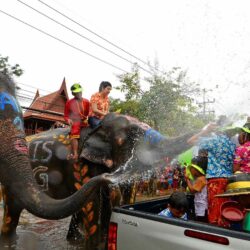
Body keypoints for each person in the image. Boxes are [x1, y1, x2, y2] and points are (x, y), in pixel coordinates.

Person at [188, 123, 238, 226]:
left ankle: (217, 237)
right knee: (226, 212)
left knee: (215, 214)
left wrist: (205, 131)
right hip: (229, 182)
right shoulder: (232, 144)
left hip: (215, 182)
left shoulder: (214, 141)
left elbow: (190, 141)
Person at [64, 83, 89, 161]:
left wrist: (87, 119)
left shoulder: (87, 101)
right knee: (74, 132)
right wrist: (68, 120)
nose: (79, 93)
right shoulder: (69, 102)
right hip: (75, 121)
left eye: (79, 92)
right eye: (76, 92)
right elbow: (66, 115)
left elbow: (88, 113)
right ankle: (75, 154)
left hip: (85, 121)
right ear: (73, 93)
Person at [185, 156, 208, 222]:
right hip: (201, 206)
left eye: (192, 169)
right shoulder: (202, 178)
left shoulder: (200, 179)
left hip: (202, 207)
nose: (190, 171)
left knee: (201, 223)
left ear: (196, 170)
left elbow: (192, 190)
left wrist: (187, 179)